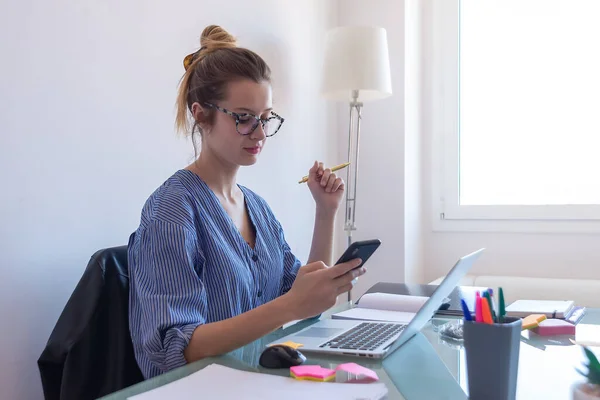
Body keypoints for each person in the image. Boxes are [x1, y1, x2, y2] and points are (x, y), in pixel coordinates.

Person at [127, 25, 367, 379]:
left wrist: (326, 211)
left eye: (266, 118)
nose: (259, 133)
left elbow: (300, 293)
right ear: (200, 113)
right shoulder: (171, 211)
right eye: (243, 118)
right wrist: (290, 304)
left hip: (258, 382)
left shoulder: (257, 209)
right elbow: (178, 349)